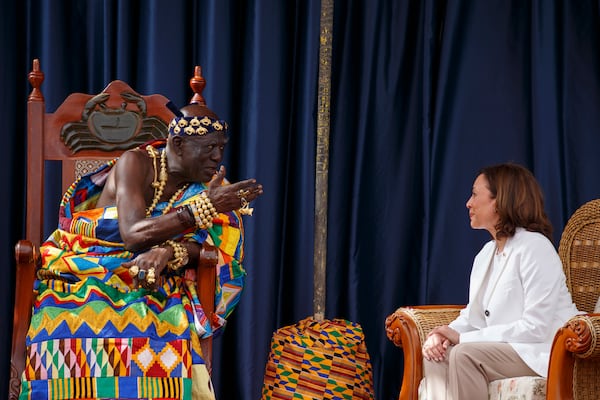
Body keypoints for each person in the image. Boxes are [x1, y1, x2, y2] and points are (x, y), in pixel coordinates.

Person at [19, 97, 262, 399]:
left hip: (159, 280)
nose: (217, 157)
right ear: (178, 143)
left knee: (166, 324)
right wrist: (204, 208)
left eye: (221, 148)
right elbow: (132, 235)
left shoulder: (205, 187)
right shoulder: (135, 162)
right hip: (92, 266)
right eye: (209, 148)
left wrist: (170, 251)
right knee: (72, 316)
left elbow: (217, 254)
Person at [421, 162, 580, 399]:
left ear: (500, 201)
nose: (468, 203)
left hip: (544, 351)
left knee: (464, 355)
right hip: (508, 350)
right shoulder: (486, 254)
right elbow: (472, 316)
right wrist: (444, 334)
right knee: (437, 356)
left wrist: (462, 339)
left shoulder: (535, 247)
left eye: (475, 194)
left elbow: (536, 327)